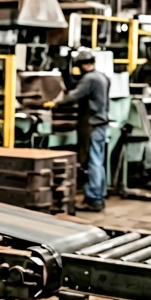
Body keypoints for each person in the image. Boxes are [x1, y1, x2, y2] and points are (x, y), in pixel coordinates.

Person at [45, 49, 110, 211]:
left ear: (83, 65)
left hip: (93, 124)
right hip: (102, 123)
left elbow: (75, 95)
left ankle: (94, 199)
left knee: (93, 161)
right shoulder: (103, 77)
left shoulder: (89, 79)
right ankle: (99, 195)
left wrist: (56, 103)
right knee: (99, 162)